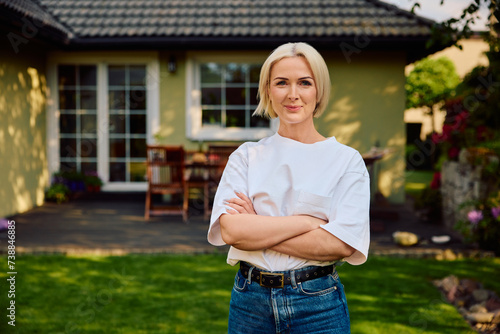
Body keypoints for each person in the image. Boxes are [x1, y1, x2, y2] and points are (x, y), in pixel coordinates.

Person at [207, 42, 370, 334]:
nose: (293, 94)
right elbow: (231, 232)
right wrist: (308, 223)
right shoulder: (246, 156)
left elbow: (341, 244)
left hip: (318, 306)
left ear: (318, 90)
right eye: (282, 83)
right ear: (268, 90)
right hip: (250, 304)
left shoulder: (346, 161)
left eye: (304, 83)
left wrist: (256, 227)